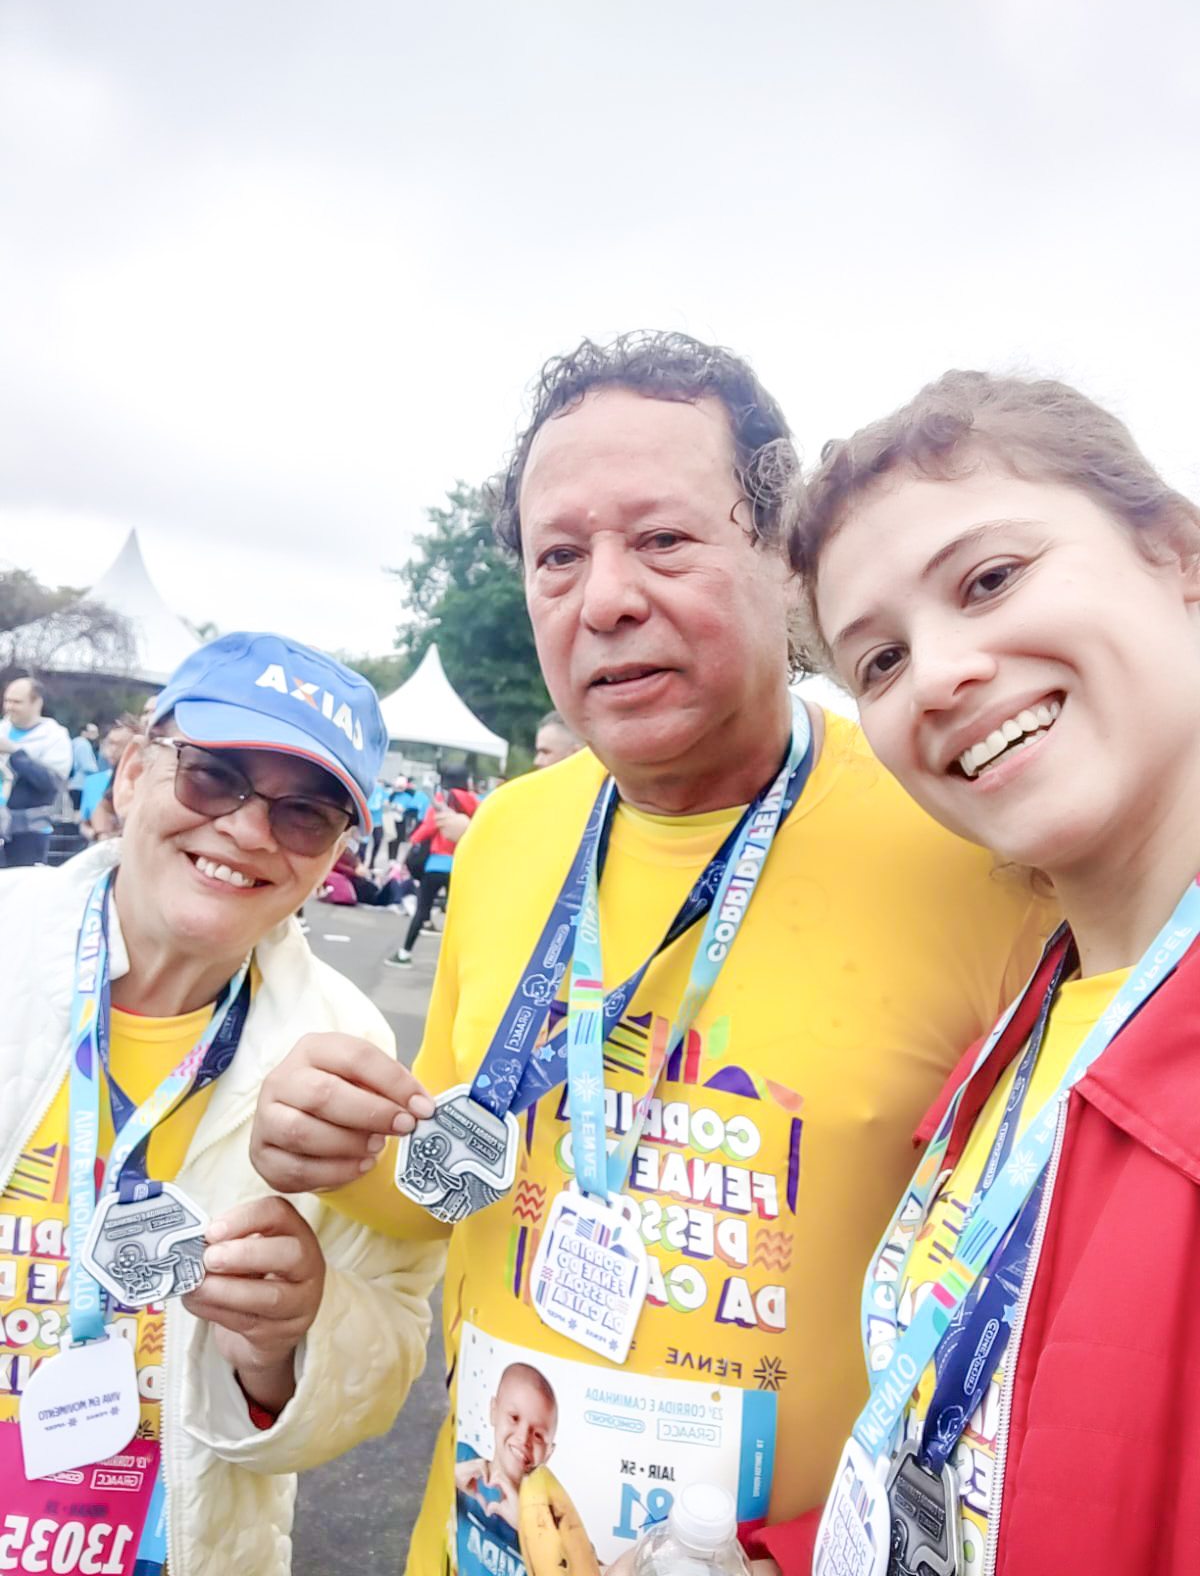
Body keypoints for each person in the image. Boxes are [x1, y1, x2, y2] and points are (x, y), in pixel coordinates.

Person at [249, 332, 1050, 1575]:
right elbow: (462, 1172)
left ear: (783, 557)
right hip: (484, 1538)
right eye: (559, 556)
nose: (605, 598)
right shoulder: (512, 834)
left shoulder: (970, 843)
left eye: (663, 539)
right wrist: (339, 1148)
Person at [788, 369, 1200, 1576]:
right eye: (877, 662)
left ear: (1178, 557)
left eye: (989, 579)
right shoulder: (1025, 1033)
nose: (938, 675)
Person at [0, 631, 442, 1572]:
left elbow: (389, 1346)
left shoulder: (348, 1044)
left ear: (334, 855)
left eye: (305, 813)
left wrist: (288, 1341)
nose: (247, 830)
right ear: (131, 774)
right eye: (212, 777)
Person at [384, 765, 479, 966]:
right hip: (462, 866)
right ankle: (458, 964)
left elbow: (429, 827)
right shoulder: (475, 802)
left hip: (436, 864)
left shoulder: (442, 799)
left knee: (422, 910)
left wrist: (411, 845)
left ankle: (404, 954)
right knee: (458, 916)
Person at [454, 1361, 559, 1531]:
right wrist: (448, 1480)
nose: (523, 1438)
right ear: (494, 1411)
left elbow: (583, 1549)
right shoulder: (460, 1458)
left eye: (538, 1435)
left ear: (548, 1453)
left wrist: (528, 1530)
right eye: (514, 1418)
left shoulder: (551, 1521)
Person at [0, 675, 72, 866]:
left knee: (22, 883)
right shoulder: (2, 729)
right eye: (7, 701)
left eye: (17, 702)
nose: (9, 707)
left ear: (36, 703)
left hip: (29, 833)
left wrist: (16, 753)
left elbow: (51, 783)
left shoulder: (54, 737)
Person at [68, 721, 100, 806]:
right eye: (93, 732)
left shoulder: (75, 743)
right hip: (81, 784)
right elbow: (87, 766)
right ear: (84, 732)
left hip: (75, 783)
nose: (96, 735)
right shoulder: (83, 744)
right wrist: (99, 771)